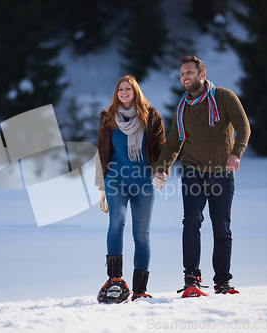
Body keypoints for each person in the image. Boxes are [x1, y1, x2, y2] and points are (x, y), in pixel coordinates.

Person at [152, 56, 250, 296]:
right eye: (182, 73)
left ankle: (223, 281)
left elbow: (244, 127)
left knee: (222, 227)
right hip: (192, 170)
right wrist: (162, 167)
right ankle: (191, 278)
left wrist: (236, 153)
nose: (185, 77)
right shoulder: (183, 106)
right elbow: (174, 142)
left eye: (189, 72)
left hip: (221, 173)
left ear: (201, 75)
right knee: (192, 220)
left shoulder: (224, 97)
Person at [95, 74, 166, 303]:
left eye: (128, 88)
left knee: (141, 235)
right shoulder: (108, 119)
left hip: (143, 181)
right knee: (117, 222)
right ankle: (115, 281)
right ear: (117, 93)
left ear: (135, 92)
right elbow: (101, 151)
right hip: (115, 179)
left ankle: (140, 289)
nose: (124, 92)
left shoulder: (151, 117)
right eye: (120, 89)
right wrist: (101, 187)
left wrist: (160, 170)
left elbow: (159, 148)